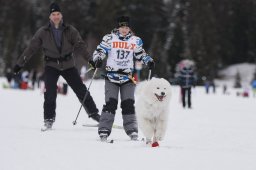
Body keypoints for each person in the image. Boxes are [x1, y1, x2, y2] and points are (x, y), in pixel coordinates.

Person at [13, 2, 100, 130]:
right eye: (53, 14)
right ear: (49, 16)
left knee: (81, 89)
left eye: (58, 14)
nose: (56, 16)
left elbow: (80, 46)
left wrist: (91, 60)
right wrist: (19, 64)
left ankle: (94, 114)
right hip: (51, 65)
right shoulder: (43, 32)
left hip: (68, 64)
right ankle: (48, 119)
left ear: (61, 15)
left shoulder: (70, 30)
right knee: (50, 92)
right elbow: (31, 48)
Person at [90, 16, 155, 141]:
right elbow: (100, 50)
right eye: (122, 27)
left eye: (126, 27)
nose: (124, 30)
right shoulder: (109, 38)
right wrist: (98, 59)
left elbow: (141, 54)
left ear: (129, 28)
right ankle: (104, 129)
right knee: (110, 104)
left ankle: (132, 129)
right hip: (112, 76)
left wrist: (148, 61)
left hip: (127, 78)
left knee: (128, 104)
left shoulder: (135, 41)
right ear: (118, 27)